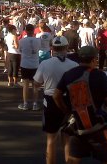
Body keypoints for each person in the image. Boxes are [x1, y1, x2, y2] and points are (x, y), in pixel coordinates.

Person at [53, 46, 107, 164]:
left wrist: (65, 109)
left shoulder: (69, 74)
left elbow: (56, 95)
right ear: (93, 59)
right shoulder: (100, 75)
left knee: (73, 159)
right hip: (97, 126)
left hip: (77, 124)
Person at [33, 36, 78, 164]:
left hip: (51, 101)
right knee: (67, 137)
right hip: (68, 101)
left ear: (52, 48)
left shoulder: (45, 63)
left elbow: (36, 83)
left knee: (51, 138)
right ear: (67, 48)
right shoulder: (74, 65)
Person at [18, 24, 42, 111]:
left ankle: (25, 104)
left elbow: (20, 50)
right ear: (33, 31)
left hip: (25, 64)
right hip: (35, 64)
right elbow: (39, 49)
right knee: (35, 86)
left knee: (25, 85)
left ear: (25, 31)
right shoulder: (38, 40)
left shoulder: (21, 41)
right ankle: (35, 104)